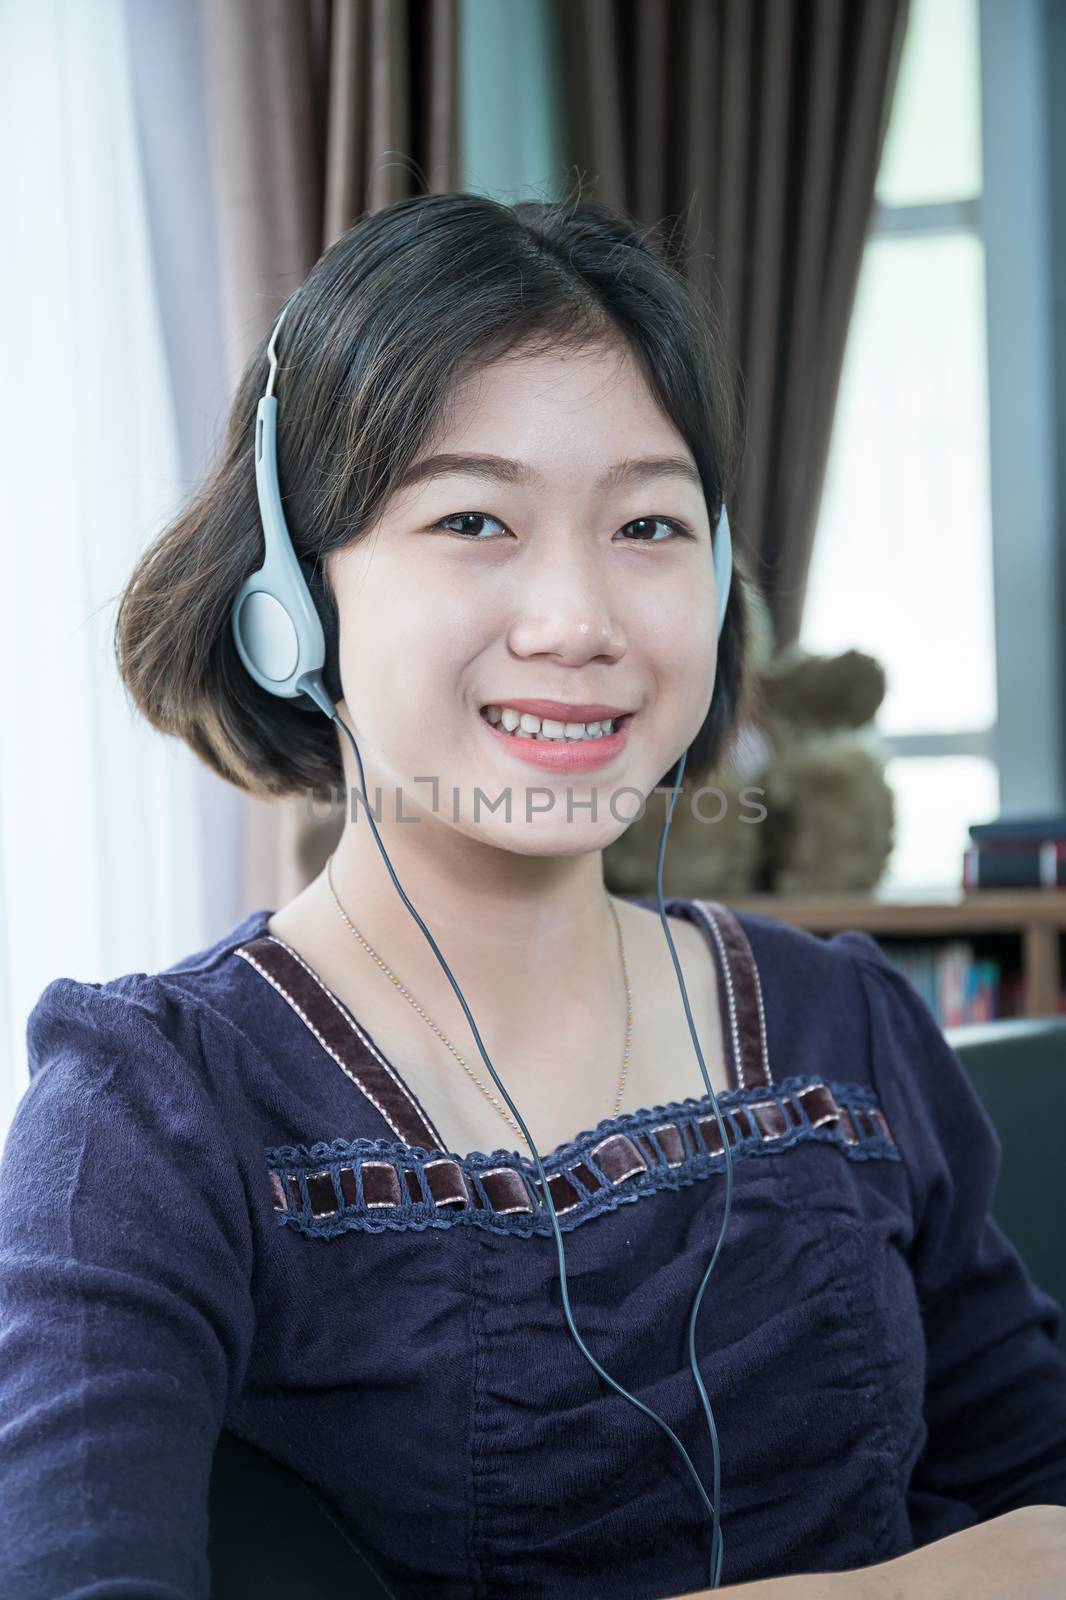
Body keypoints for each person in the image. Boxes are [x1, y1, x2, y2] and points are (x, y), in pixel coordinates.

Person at [1, 189, 1064, 1600]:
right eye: (472, 519)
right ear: (293, 595)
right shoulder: (157, 1103)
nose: (579, 620)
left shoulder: (843, 1024)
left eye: (647, 526)